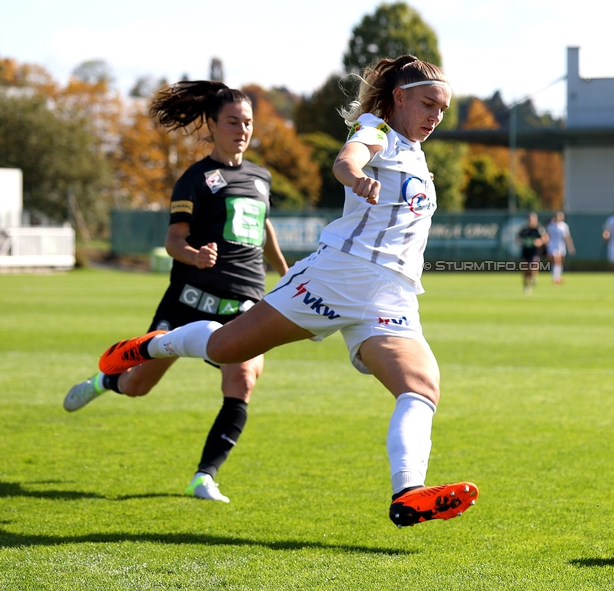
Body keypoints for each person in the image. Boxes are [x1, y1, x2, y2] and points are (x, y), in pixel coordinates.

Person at [94, 56, 478, 528]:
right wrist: (353, 174)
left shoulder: (418, 155)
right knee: (224, 346)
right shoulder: (376, 130)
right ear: (399, 98)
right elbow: (349, 157)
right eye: (427, 104)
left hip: (391, 296)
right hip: (338, 276)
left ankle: (409, 493)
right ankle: (150, 346)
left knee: (421, 387)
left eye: (442, 109)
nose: (435, 116)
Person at [63, 82, 289, 503]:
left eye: (248, 122)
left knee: (243, 376)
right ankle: (105, 380)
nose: (242, 129)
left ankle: (204, 476)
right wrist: (194, 255)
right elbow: (173, 241)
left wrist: (287, 274)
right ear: (212, 125)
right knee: (137, 387)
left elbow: (264, 227)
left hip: (242, 303)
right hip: (189, 302)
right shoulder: (195, 179)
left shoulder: (261, 176)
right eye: (233, 121)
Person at [517, 211, 548, 294]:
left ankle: (533, 277)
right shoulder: (524, 230)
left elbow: (545, 238)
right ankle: (527, 285)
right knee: (525, 270)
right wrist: (520, 241)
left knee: (534, 266)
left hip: (535, 252)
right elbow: (518, 238)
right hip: (525, 251)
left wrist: (540, 241)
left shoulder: (539, 229)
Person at [545, 211, 575, 285]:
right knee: (555, 260)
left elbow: (567, 237)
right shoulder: (550, 226)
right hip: (552, 245)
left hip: (561, 245)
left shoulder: (564, 226)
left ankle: (557, 277)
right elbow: (547, 235)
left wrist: (570, 247)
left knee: (559, 262)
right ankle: (555, 278)